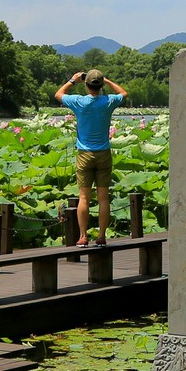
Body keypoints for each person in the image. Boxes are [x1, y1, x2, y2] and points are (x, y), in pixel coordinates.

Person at [55, 68, 129, 245]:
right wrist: (107, 81)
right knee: (103, 198)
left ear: (86, 85)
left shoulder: (78, 102)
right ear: (101, 85)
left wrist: (73, 80)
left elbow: (58, 94)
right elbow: (124, 93)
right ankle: (101, 236)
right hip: (103, 154)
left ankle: (83, 236)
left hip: (84, 154)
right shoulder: (108, 101)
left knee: (84, 198)